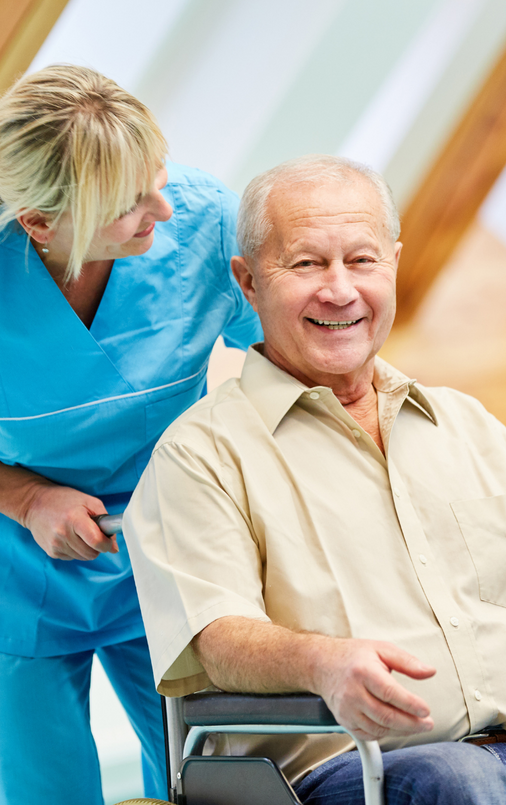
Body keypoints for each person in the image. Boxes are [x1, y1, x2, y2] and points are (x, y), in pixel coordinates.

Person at [124, 154, 506, 805]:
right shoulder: (200, 455)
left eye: (361, 261)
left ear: (392, 264)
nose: (338, 290)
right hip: (339, 773)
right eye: (306, 263)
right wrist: (322, 663)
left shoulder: (465, 425)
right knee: (457, 779)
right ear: (248, 281)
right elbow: (218, 638)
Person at [0, 64, 262, 805]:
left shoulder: (205, 218)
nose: (165, 208)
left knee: (203, 772)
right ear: (41, 223)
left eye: (157, 172)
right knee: (46, 787)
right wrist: (25, 500)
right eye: (130, 203)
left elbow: (287, 356)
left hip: (170, 541)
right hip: (18, 565)